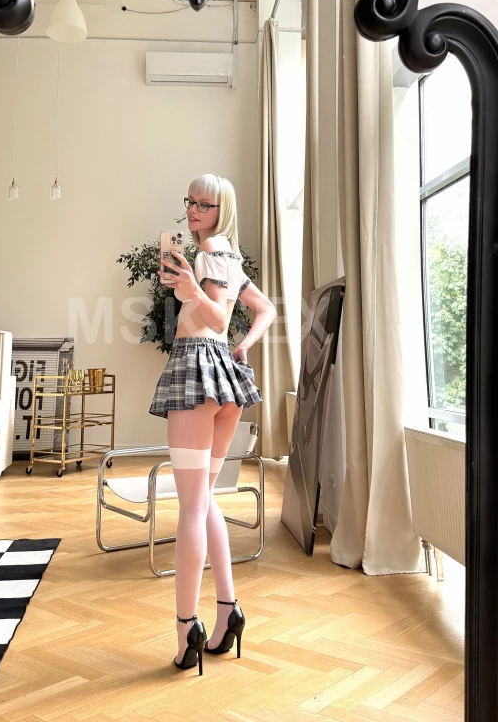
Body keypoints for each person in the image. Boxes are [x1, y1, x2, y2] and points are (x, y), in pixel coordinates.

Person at [149, 174, 277, 675]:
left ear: (222, 209)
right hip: (224, 376)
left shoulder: (209, 252)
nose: (194, 210)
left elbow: (217, 321)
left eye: (205, 204)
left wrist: (189, 291)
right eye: (191, 201)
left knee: (190, 508)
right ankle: (229, 611)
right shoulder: (228, 255)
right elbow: (263, 310)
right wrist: (245, 346)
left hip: (195, 372)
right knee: (204, 501)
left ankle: (187, 628)